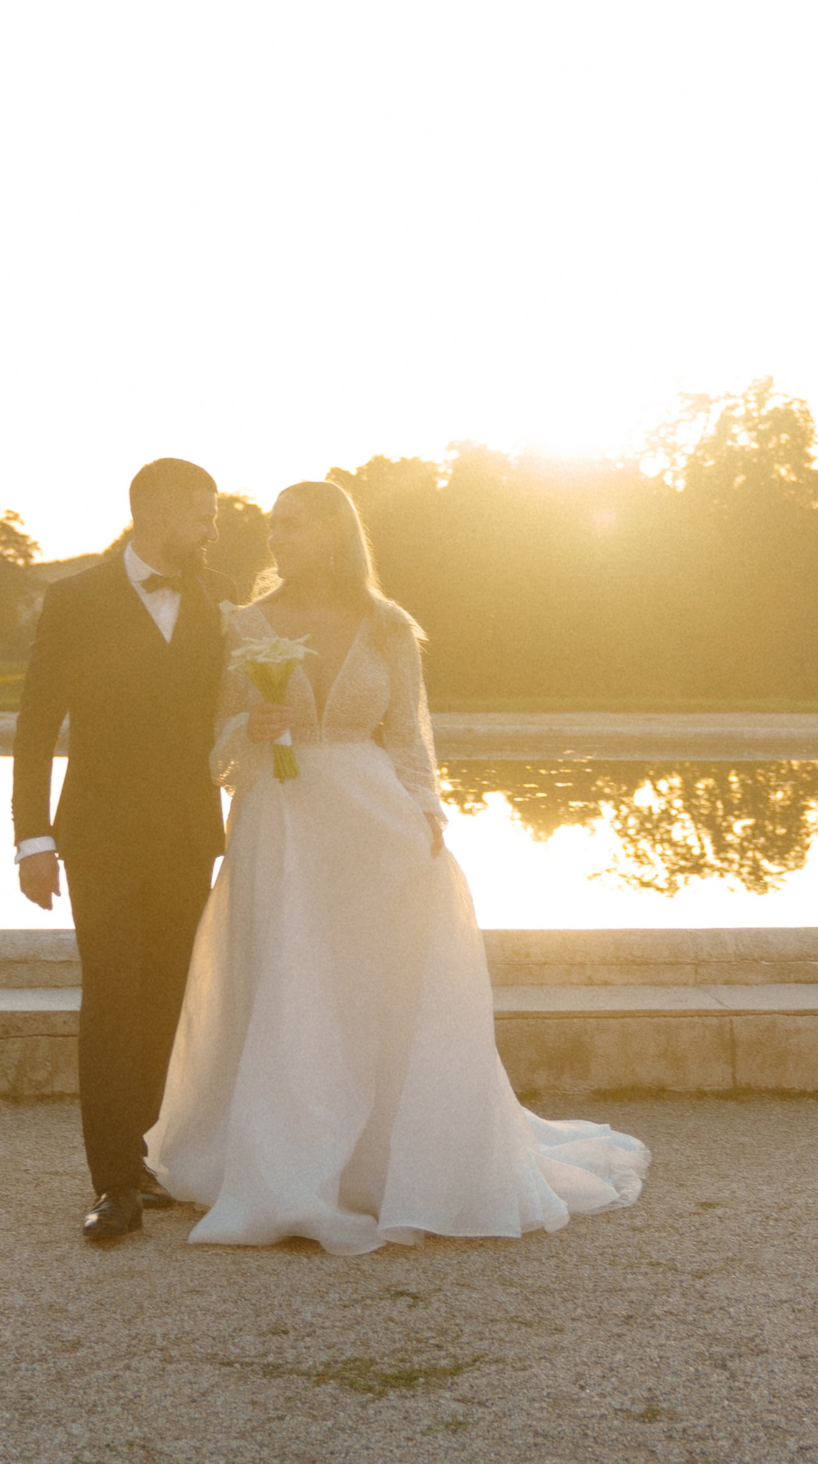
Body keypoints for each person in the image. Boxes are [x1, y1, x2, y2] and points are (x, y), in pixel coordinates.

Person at [146, 480, 648, 1254]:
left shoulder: (388, 626)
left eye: (294, 524)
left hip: (374, 831)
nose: (276, 536)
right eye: (274, 524)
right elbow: (214, 744)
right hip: (280, 830)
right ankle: (287, 1169)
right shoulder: (239, 624)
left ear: (335, 533)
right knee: (287, 987)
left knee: (373, 991)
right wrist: (254, 722)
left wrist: (427, 818)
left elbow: (412, 741)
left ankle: (384, 1166)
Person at [11, 459, 232, 1242]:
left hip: (185, 835)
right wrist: (32, 837)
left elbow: (229, 717)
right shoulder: (76, 600)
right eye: (203, 512)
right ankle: (111, 1183)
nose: (214, 525)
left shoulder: (214, 603)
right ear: (158, 512)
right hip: (97, 835)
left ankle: (143, 1157)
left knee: (165, 999)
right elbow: (37, 726)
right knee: (111, 996)